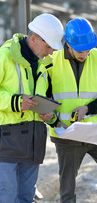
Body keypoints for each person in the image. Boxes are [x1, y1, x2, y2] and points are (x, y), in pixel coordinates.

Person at [48, 18, 97, 203]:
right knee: (67, 188)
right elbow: (44, 98)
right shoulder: (51, 61)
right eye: (81, 51)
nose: (85, 54)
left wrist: (88, 108)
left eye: (88, 50)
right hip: (66, 134)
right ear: (68, 45)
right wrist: (56, 122)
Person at [0, 13, 64, 203]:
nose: (52, 51)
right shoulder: (4, 56)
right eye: (49, 46)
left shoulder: (44, 65)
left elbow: (45, 99)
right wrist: (14, 101)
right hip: (6, 142)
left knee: (26, 196)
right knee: (7, 195)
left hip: (34, 142)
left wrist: (50, 116)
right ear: (35, 38)